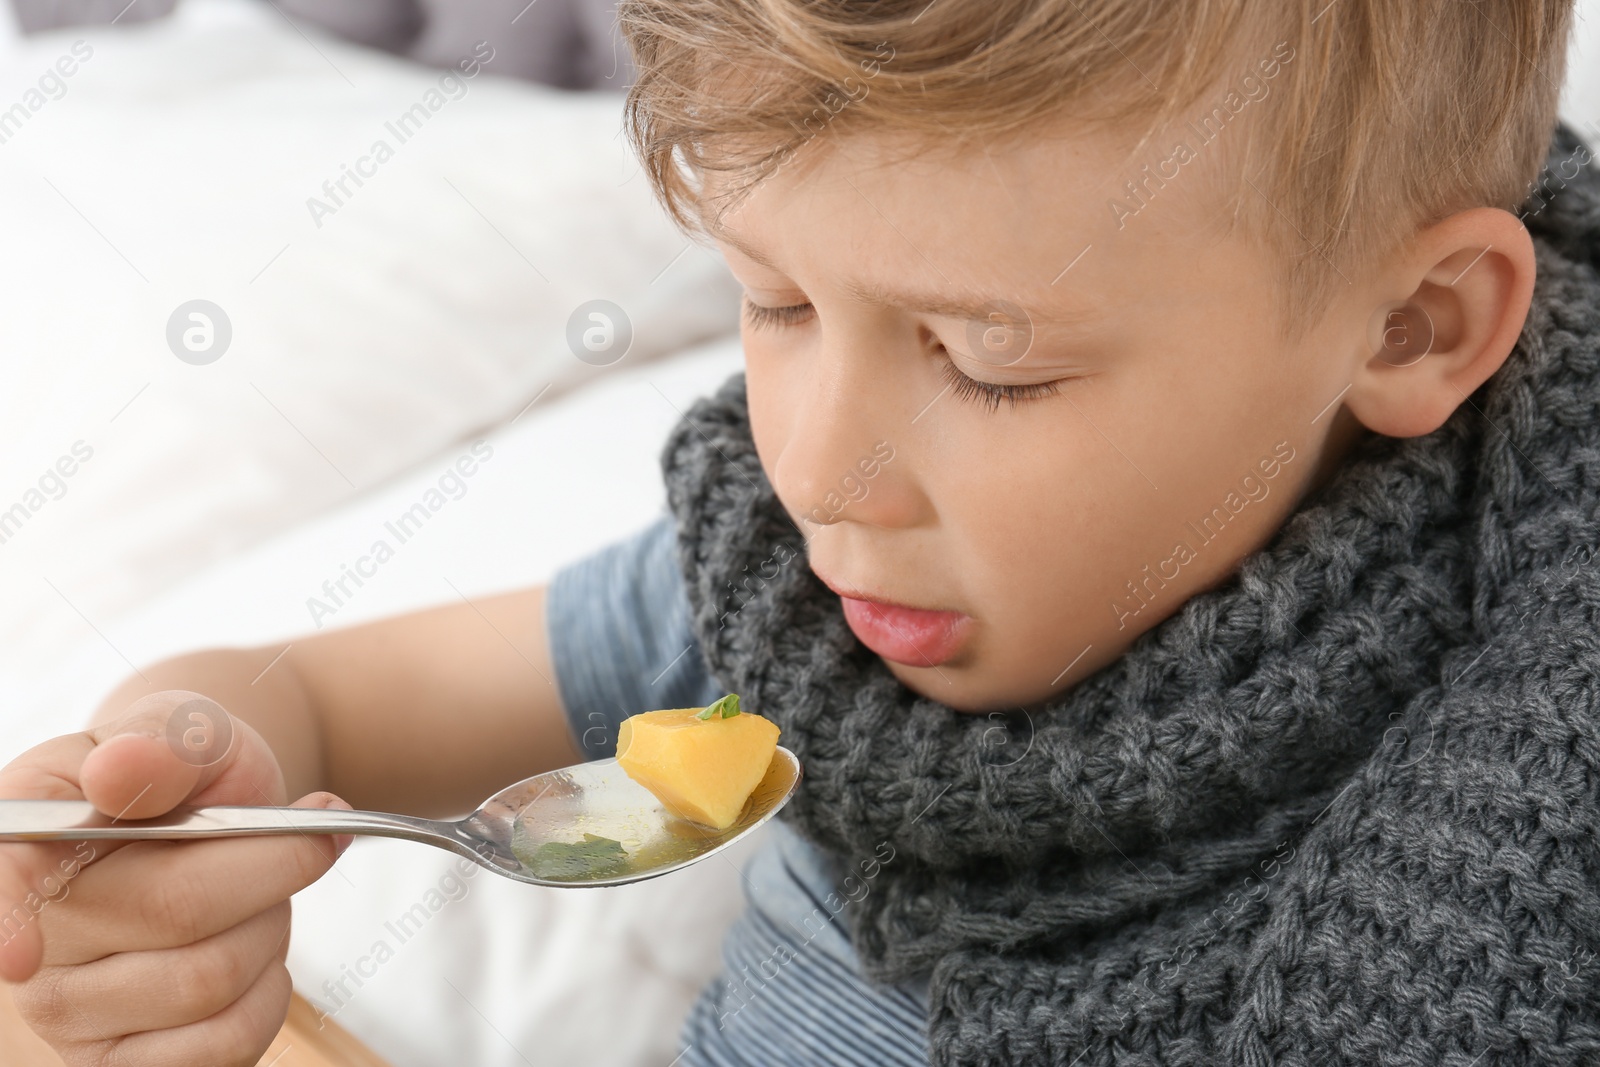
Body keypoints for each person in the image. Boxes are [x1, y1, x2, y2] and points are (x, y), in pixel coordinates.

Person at [4, 1, 1599, 1063]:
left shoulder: (1516, 823)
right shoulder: (787, 605)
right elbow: (318, 702)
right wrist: (186, 776)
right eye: (770, 301)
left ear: (1412, 327)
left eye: (991, 362)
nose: (822, 475)